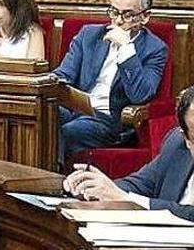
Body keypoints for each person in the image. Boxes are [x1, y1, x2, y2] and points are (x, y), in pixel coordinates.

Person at [53, 0, 168, 161]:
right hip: (77, 110)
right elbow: (63, 74)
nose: (119, 20)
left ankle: (54, 183)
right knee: (42, 114)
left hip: (111, 120)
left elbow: (141, 95)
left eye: (128, 15)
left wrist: (126, 48)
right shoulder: (89, 35)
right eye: (114, 12)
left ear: (145, 17)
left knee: (69, 131)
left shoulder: (155, 49)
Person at [63, 86, 194, 222]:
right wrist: (94, 188)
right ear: (186, 139)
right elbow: (139, 184)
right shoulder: (176, 144)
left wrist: (127, 199)